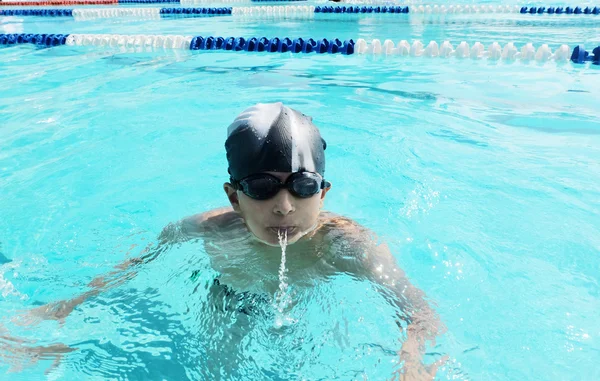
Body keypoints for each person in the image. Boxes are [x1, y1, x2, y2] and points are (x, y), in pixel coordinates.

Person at [12, 102, 445, 380]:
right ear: (234, 197)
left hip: (314, 300)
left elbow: (422, 312)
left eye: (303, 186)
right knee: (216, 370)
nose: (284, 207)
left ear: (324, 193)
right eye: (261, 186)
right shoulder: (210, 228)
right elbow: (134, 266)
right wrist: (66, 307)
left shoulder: (348, 246)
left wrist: (410, 356)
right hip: (230, 296)